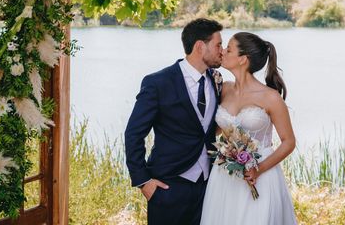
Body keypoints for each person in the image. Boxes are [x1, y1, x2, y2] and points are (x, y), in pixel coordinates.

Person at [124, 18, 224, 225]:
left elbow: (207, 129)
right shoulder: (158, 83)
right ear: (199, 46)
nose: (222, 51)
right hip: (168, 187)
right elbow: (134, 134)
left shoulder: (215, 80)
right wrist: (144, 182)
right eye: (218, 45)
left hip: (208, 186)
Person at [200, 31, 297, 225]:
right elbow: (218, 130)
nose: (223, 53)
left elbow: (289, 142)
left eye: (229, 49)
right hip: (225, 177)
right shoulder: (224, 88)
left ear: (243, 59)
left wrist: (258, 169)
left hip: (260, 175)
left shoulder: (270, 97)